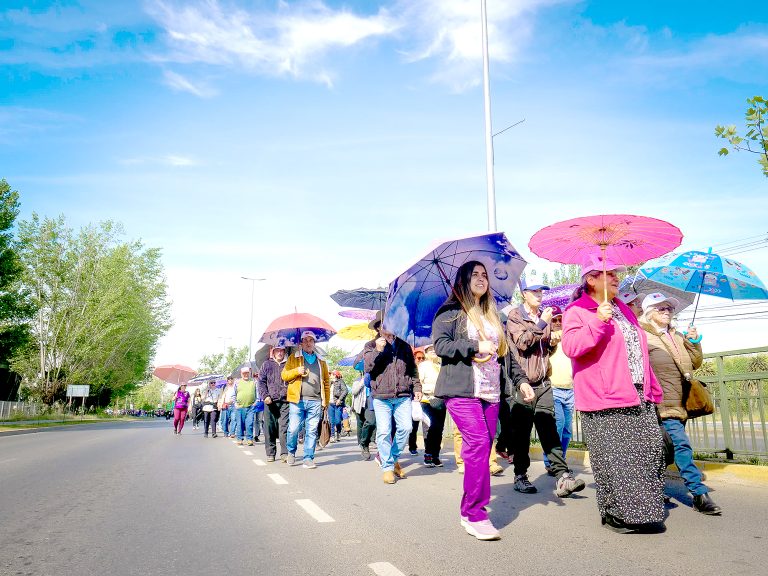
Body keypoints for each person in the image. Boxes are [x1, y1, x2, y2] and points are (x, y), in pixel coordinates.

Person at [562, 256, 666, 532]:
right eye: (609, 274)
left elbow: (637, 348)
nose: (617, 278)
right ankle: (615, 514)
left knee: (648, 453)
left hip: (637, 392)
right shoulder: (577, 310)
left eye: (617, 274)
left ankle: (644, 511)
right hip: (604, 396)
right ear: (591, 279)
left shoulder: (623, 308)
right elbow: (571, 347)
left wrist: (651, 385)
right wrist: (597, 320)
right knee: (615, 459)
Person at [432, 260, 534, 541]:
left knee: (481, 449)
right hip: (462, 391)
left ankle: (468, 508)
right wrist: (475, 345)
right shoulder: (450, 312)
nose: (480, 278)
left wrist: (522, 380)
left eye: (484, 275)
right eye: (474, 274)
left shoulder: (492, 315)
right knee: (477, 444)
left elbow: (507, 354)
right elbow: (441, 346)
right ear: (463, 280)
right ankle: (476, 513)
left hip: (491, 394)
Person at [639, 292, 722, 515]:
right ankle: (698, 493)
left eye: (669, 309)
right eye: (661, 309)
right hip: (659, 402)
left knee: (664, 451)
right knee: (680, 445)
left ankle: (651, 489)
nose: (667, 312)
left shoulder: (676, 336)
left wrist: (693, 342)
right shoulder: (641, 336)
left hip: (679, 400)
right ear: (649, 313)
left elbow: (693, 364)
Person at [506, 280, 585, 497]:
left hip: (543, 384)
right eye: (534, 291)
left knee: (550, 431)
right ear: (524, 294)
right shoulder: (515, 316)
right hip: (523, 385)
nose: (539, 295)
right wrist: (542, 323)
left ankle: (562, 476)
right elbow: (522, 343)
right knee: (522, 435)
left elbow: (544, 351)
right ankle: (520, 475)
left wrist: (552, 342)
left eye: (541, 291)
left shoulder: (546, 316)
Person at [364, 310, 422, 484]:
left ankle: (390, 457)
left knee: (406, 428)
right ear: (378, 328)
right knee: (383, 432)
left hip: (403, 395)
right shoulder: (371, 345)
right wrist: (378, 351)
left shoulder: (404, 345)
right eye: (384, 324)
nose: (388, 327)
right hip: (381, 397)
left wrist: (417, 386)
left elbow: (412, 368)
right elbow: (367, 368)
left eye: (391, 323)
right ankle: (388, 468)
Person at [282, 331, 330, 469]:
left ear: (314, 343)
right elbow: (284, 375)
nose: (309, 343)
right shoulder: (293, 358)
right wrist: (296, 371)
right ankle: (291, 452)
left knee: (311, 431)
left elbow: (326, 382)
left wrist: (325, 401)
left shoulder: (321, 360)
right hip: (297, 400)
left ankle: (308, 458)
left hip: (315, 401)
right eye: (306, 340)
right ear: (301, 343)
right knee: (293, 429)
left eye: (311, 340)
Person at [542, 306, 575, 475]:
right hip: (553, 389)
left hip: (569, 389)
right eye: (553, 319)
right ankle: (551, 462)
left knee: (568, 430)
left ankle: (559, 460)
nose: (557, 323)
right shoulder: (548, 338)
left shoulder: (570, 338)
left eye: (560, 319)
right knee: (558, 426)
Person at [258, 342, 290, 463]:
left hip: (285, 401)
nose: (280, 353)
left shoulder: (288, 365)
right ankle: (270, 453)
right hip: (269, 401)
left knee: (284, 427)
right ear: (273, 352)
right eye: (277, 350)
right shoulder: (266, 364)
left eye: (282, 350)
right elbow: (261, 382)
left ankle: (284, 453)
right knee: (269, 427)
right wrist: (265, 395)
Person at [418, 344, 446, 467]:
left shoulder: (441, 366)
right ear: (426, 353)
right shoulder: (423, 366)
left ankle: (436, 455)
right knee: (432, 426)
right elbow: (419, 383)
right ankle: (428, 454)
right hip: (427, 400)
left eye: (435, 349)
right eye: (430, 350)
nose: (433, 351)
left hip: (441, 400)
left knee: (439, 429)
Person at [351, 369, 376, 460]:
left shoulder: (375, 378)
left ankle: (364, 442)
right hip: (359, 405)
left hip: (371, 403)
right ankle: (364, 447)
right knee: (360, 425)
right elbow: (354, 391)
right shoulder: (358, 380)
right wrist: (362, 382)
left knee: (371, 422)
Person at [408, 348, 427, 454]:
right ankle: (412, 446)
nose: (421, 360)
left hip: (425, 400)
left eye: (423, 358)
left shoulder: (427, 368)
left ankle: (428, 449)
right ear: (414, 358)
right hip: (414, 400)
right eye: (418, 358)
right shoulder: (411, 370)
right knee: (413, 425)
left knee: (427, 425)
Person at [234, 365, 258, 446]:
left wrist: (256, 402)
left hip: (250, 407)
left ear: (249, 373)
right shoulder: (237, 382)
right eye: (244, 373)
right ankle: (240, 439)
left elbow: (257, 393)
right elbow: (234, 394)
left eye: (247, 373)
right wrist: (235, 403)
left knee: (249, 423)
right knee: (239, 424)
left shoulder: (253, 382)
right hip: (239, 407)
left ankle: (250, 439)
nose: (246, 374)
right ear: (241, 374)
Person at [329, 370, 348, 443]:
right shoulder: (329, 383)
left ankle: (338, 432)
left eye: (331, 374)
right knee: (331, 421)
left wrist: (339, 400)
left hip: (337, 404)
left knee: (337, 421)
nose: (330, 376)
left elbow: (345, 391)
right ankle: (332, 436)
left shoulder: (340, 382)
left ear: (335, 375)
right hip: (330, 403)